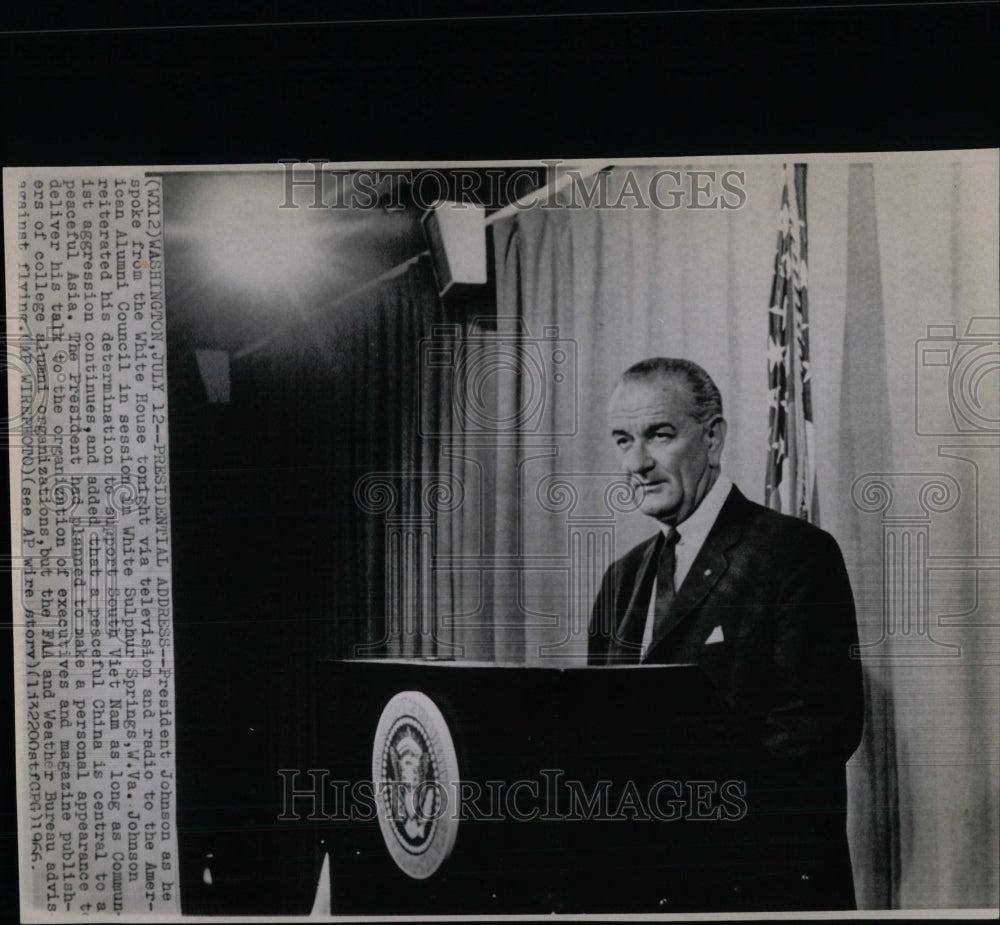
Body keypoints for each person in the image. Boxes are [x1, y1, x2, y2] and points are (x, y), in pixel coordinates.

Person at [588, 357, 864, 911]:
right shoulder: (621, 577)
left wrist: (671, 807)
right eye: (622, 440)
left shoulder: (794, 554)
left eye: (658, 436)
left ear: (712, 438)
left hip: (757, 886)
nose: (637, 463)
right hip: (648, 886)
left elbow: (817, 730)